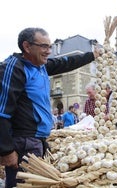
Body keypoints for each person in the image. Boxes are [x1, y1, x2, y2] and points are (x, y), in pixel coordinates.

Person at [0, 27, 100, 187]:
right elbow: (2, 112)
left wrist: (92, 55)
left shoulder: (41, 66)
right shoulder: (14, 68)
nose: (49, 51)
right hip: (22, 143)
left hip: (37, 141)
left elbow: (66, 63)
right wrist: (6, 150)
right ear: (27, 46)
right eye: (44, 46)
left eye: (50, 46)